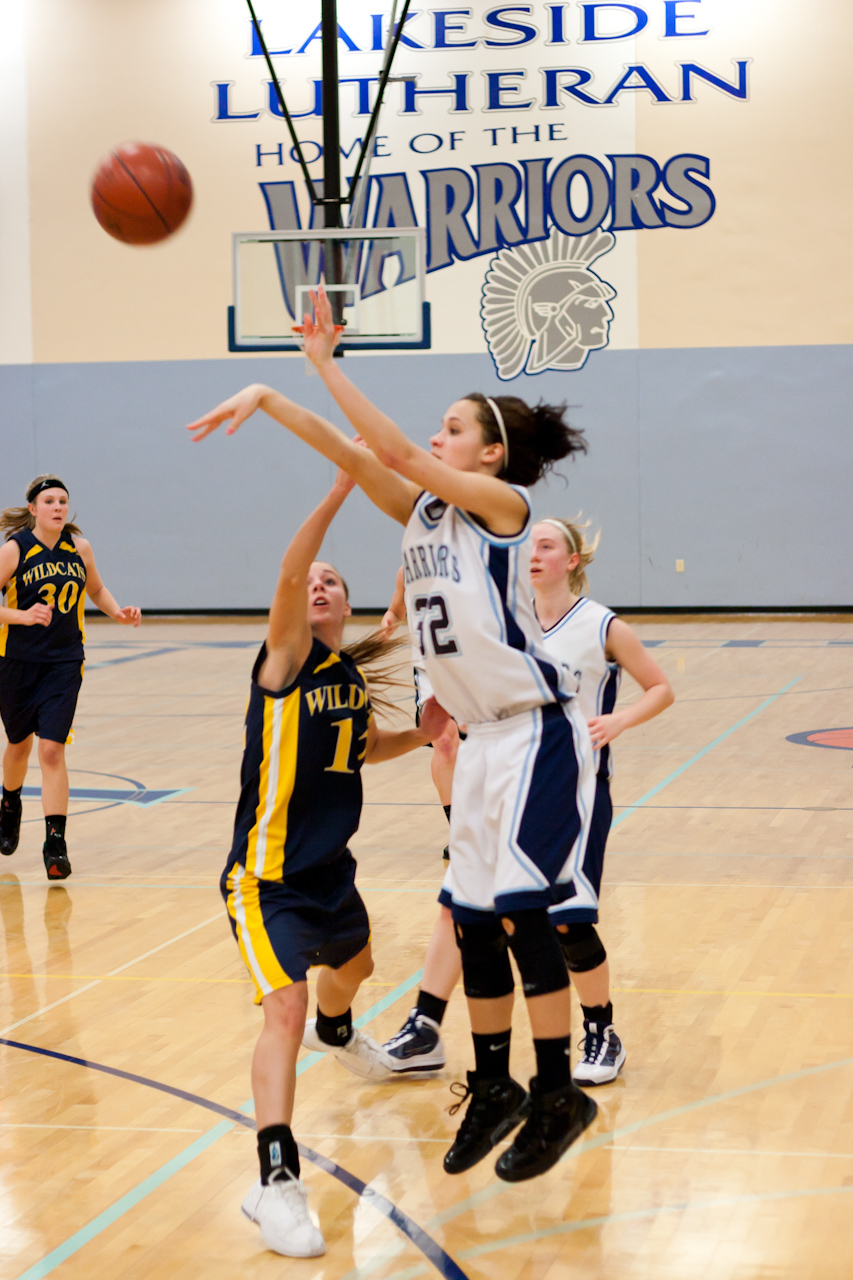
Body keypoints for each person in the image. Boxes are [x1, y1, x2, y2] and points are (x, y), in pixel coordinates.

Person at [188, 284, 599, 1185]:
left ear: (491, 452)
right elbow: (353, 453)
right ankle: (494, 1084)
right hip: (480, 741)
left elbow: (395, 450)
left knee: (522, 911)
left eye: (453, 429)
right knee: (474, 917)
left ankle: (558, 1091)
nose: (434, 438)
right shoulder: (423, 513)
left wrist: (325, 364)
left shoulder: (502, 506)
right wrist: (269, 396)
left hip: (533, 732)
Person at [199, 464, 448, 1258]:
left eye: (331, 582)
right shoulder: (284, 659)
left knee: (358, 967)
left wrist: (420, 737)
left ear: (346, 606)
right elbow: (288, 572)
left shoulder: (345, 676)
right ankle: (274, 1181)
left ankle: (337, 1032)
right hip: (264, 879)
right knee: (284, 1008)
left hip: (329, 873)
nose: (316, 585)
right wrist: (341, 489)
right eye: (311, 580)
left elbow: (359, 747)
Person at [532, 517, 674, 1084]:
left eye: (546, 546)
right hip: (519, 789)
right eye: (528, 545)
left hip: (581, 788)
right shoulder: (509, 624)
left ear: (571, 561)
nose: (533, 554)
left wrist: (619, 719)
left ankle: (601, 1032)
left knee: (570, 919)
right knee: (522, 923)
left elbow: (661, 688)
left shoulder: (601, 625)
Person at [0, 476, 141, 879]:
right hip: (16, 663)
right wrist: (21, 615)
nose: (58, 507)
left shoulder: (79, 548)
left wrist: (117, 612)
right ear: (33, 509)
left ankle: (55, 844)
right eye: (49, 501)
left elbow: (95, 590)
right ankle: (9, 803)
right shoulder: (14, 550)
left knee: (51, 751)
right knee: (18, 746)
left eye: (62, 500)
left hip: (64, 663)